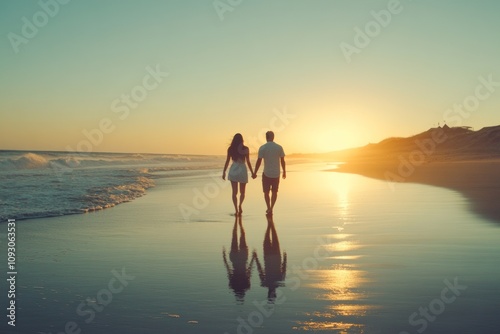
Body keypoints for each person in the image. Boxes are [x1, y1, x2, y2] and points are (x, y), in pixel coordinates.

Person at [252, 131, 286, 215]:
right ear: (273, 137)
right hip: (276, 173)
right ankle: (271, 208)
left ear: (266, 137)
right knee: (275, 192)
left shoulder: (263, 148)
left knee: (266, 192)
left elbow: (259, 161)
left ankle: (268, 207)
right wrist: (284, 171)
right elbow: (282, 161)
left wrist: (254, 172)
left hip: (266, 173)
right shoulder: (279, 147)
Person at [223, 133, 254, 215]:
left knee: (234, 192)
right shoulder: (245, 148)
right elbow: (248, 161)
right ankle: (240, 205)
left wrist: (224, 172)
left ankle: (236, 209)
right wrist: (252, 172)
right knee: (242, 192)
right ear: (242, 140)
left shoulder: (230, 149)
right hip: (242, 169)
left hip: (234, 169)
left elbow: (227, 161)